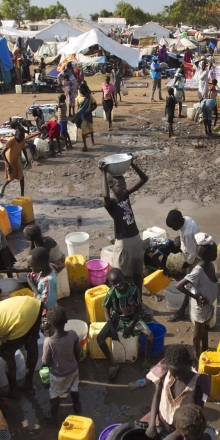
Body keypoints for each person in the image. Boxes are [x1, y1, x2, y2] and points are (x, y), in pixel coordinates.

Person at [0, 296, 43, 398]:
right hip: (32, 304)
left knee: (7, 353)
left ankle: (13, 391)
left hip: (22, 314)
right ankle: (28, 385)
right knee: (31, 343)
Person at [143, 345, 211, 440]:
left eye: (182, 373)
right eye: (174, 374)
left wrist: (175, 435)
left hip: (182, 430)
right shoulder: (164, 372)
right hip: (159, 419)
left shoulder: (197, 384)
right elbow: (157, 397)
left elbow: (196, 415)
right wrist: (152, 424)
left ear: (190, 363)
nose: (178, 377)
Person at [97, 268, 154, 379]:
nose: (119, 285)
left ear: (124, 277)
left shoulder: (134, 290)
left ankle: (146, 361)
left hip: (133, 318)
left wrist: (130, 325)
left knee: (149, 335)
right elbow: (106, 312)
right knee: (99, 339)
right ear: (111, 285)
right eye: (115, 284)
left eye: (120, 281)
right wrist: (112, 330)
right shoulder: (110, 293)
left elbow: (139, 309)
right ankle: (113, 363)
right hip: (117, 318)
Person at [100, 158, 149, 287]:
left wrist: (131, 163)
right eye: (119, 185)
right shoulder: (110, 203)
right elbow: (105, 196)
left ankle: (138, 301)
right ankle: (128, 301)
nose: (123, 187)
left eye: (124, 184)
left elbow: (144, 179)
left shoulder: (126, 194)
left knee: (138, 274)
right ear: (111, 187)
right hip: (123, 243)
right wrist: (103, 173)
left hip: (136, 238)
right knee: (123, 277)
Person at [175, 234, 218, 358]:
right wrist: (196, 297)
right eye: (215, 251)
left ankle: (205, 352)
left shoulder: (210, 265)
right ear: (210, 255)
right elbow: (179, 285)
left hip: (208, 305)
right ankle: (196, 355)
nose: (216, 253)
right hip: (200, 307)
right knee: (198, 334)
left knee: (205, 332)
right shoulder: (198, 271)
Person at [41, 306, 82, 423]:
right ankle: (77, 406)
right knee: (74, 388)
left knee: (54, 394)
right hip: (73, 369)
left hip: (58, 374)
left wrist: (44, 367)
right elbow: (78, 351)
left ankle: (53, 418)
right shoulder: (73, 334)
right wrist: (76, 361)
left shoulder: (49, 342)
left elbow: (45, 361)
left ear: (50, 324)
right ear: (66, 320)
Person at [164, 209, 200, 321]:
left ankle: (182, 311)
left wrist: (187, 263)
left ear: (179, 222)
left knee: (189, 284)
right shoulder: (187, 219)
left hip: (195, 259)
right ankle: (186, 307)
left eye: (173, 226)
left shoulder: (188, 234)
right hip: (194, 253)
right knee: (192, 283)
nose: (173, 229)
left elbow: (193, 253)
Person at [1, 121, 30, 198]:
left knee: (21, 177)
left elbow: (23, 149)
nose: (21, 137)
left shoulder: (23, 140)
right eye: (20, 136)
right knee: (11, 178)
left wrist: (27, 160)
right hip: (9, 159)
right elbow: (2, 153)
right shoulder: (12, 140)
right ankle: (3, 187)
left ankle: (22, 195)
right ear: (16, 135)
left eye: (23, 136)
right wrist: (8, 164)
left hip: (17, 159)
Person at [25, 246, 57, 311]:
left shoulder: (48, 281)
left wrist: (33, 287)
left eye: (31, 266)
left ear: (39, 266)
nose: (30, 269)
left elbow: (46, 305)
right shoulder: (43, 272)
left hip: (46, 313)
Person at [73, 82, 96, 152]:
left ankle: (92, 140)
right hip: (82, 116)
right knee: (83, 130)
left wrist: (89, 111)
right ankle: (85, 146)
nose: (80, 90)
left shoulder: (90, 97)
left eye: (81, 89)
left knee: (90, 128)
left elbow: (95, 105)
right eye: (79, 89)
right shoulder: (78, 98)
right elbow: (78, 108)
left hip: (88, 116)